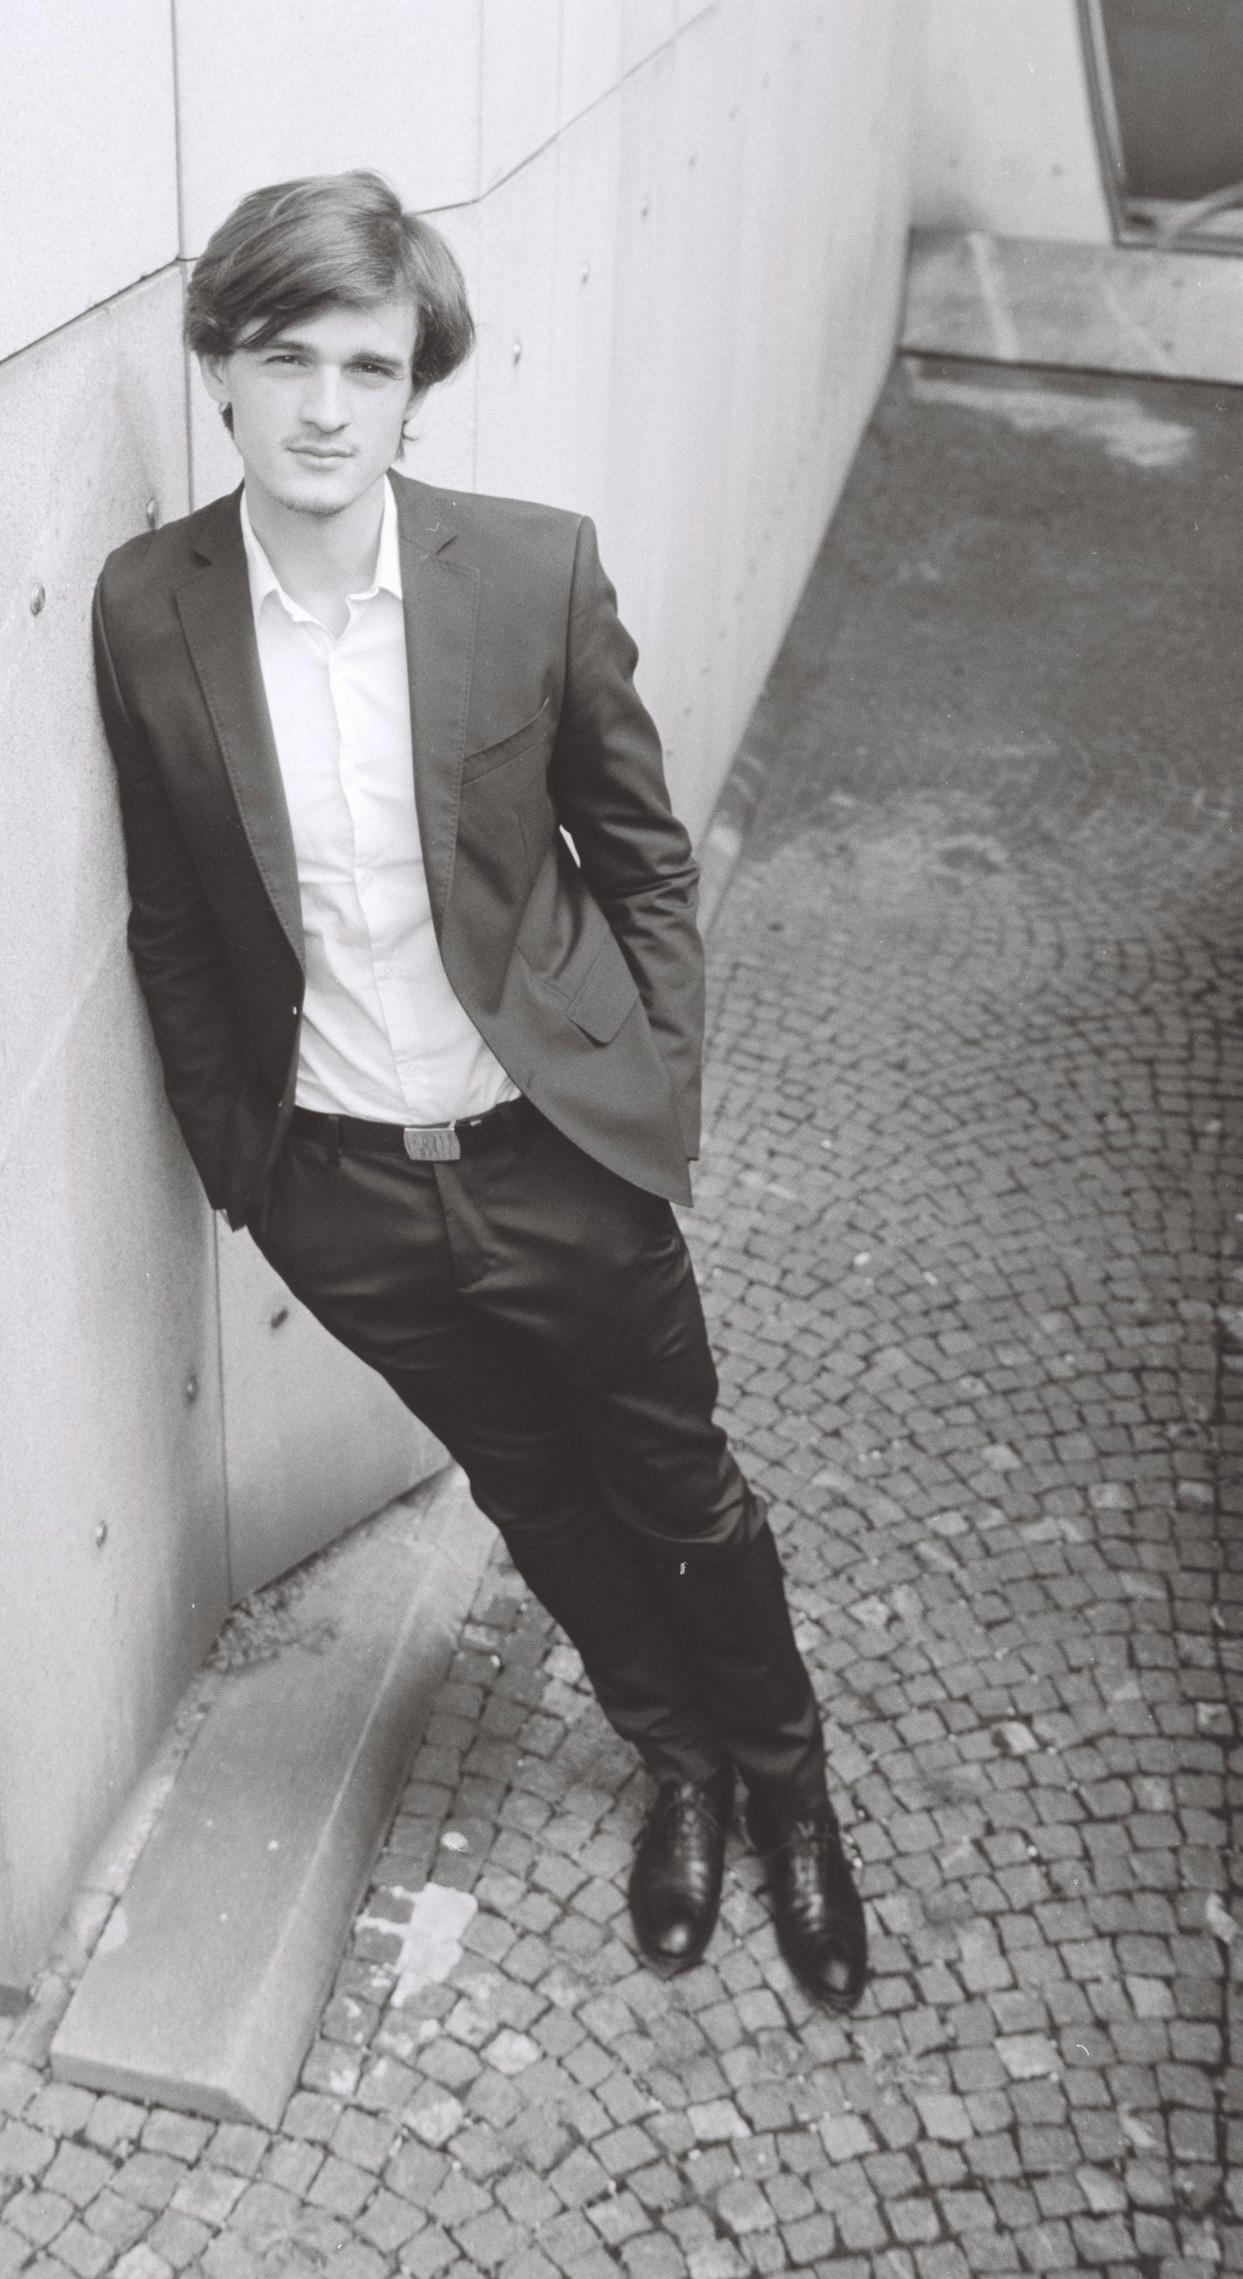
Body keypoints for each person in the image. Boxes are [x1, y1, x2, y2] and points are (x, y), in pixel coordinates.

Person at [91, 169, 867, 2011]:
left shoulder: (529, 571)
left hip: (560, 1159)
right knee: (536, 1493)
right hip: (345, 1191)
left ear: (415, 386)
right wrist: (250, 1173)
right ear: (219, 364)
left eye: (368, 366)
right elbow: (174, 923)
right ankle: (677, 1762)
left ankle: (791, 1790)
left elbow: (644, 859)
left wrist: (651, 1097)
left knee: (678, 1487)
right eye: (287, 358)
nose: (325, 408)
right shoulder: (146, 608)